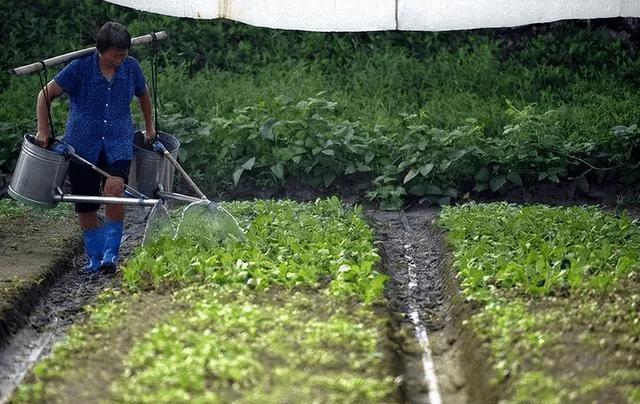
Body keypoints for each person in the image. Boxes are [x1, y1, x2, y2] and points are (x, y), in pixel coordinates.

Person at [34, 21, 155, 273]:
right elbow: (44, 94)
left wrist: (149, 126)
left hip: (118, 141)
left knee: (114, 189)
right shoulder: (79, 68)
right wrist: (43, 130)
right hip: (81, 144)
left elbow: (143, 95)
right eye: (115, 55)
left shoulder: (131, 68)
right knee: (86, 204)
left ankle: (111, 255)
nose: (120, 60)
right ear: (101, 50)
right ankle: (94, 257)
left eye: (124, 55)